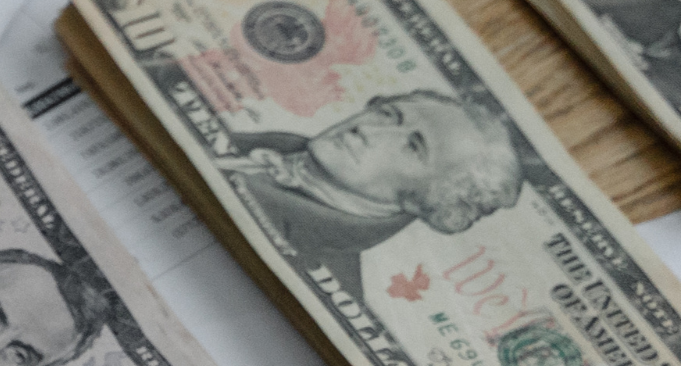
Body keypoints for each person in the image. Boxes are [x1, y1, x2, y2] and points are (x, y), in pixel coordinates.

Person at [213, 89, 524, 295]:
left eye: (413, 146)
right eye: (387, 114)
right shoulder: (247, 143)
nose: (369, 129)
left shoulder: (319, 279)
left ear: (430, 199)